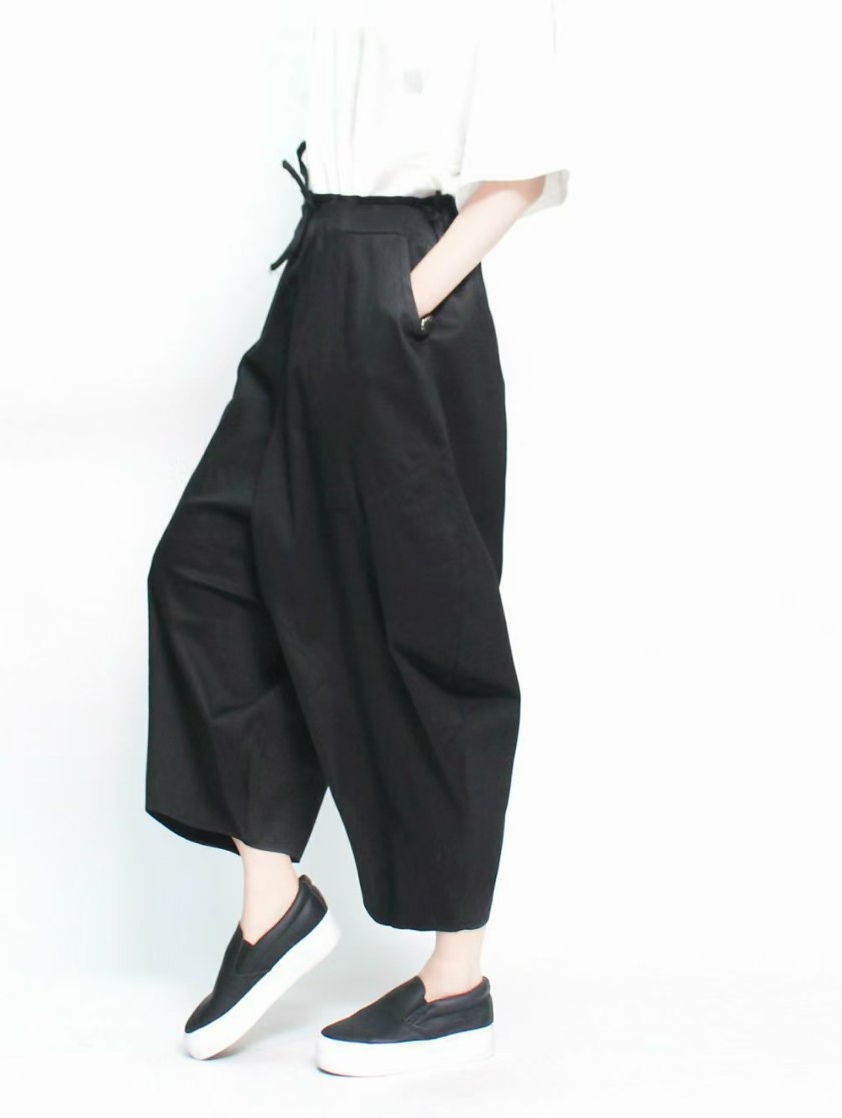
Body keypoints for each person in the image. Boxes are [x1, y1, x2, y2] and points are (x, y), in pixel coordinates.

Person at [145, 0, 571, 1077]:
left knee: (428, 628)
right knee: (206, 571)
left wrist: (402, 301)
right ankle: (273, 908)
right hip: (321, 268)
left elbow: (520, 170)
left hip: (398, 280)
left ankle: (455, 981)